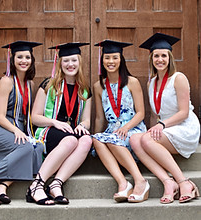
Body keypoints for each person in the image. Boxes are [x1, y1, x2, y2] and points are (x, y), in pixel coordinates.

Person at [130, 33, 200, 204]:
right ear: (151, 58)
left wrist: (160, 126)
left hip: (184, 127)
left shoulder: (178, 78)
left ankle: (184, 182)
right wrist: (152, 131)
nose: (160, 59)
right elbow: (154, 114)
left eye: (163, 56)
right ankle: (168, 182)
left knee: (145, 140)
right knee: (135, 139)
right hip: (166, 127)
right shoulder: (151, 83)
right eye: (156, 56)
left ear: (170, 58)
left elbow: (184, 112)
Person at [26, 42, 92, 205]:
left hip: (70, 133)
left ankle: (56, 184)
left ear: (79, 62)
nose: (70, 64)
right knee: (71, 140)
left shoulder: (84, 89)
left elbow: (87, 120)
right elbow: (35, 117)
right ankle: (37, 185)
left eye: (74, 60)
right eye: (66, 61)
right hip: (47, 131)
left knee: (86, 140)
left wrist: (83, 126)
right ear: (60, 63)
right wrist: (55, 122)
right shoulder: (48, 85)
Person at [0, 41, 44, 206]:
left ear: (32, 60)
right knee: (26, 147)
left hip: (18, 130)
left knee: (38, 148)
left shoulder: (30, 84)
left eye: (27, 57)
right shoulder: (7, 81)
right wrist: (17, 131)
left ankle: (3, 186)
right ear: (13, 59)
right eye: (20, 57)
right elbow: (0, 116)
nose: (24, 60)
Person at [92, 40, 149, 203]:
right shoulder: (98, 86)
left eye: (115, 58)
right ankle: (123, 183)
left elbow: (140, 113)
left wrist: (126, 127)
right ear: (102, 60)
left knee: (112, 139)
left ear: (121, 60)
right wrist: (95, 136)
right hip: (112, 132)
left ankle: (140, 181)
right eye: (107, 58)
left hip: (133, 128)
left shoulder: (132, 82)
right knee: (96, 139)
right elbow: (99, 117)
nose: (111, 62)